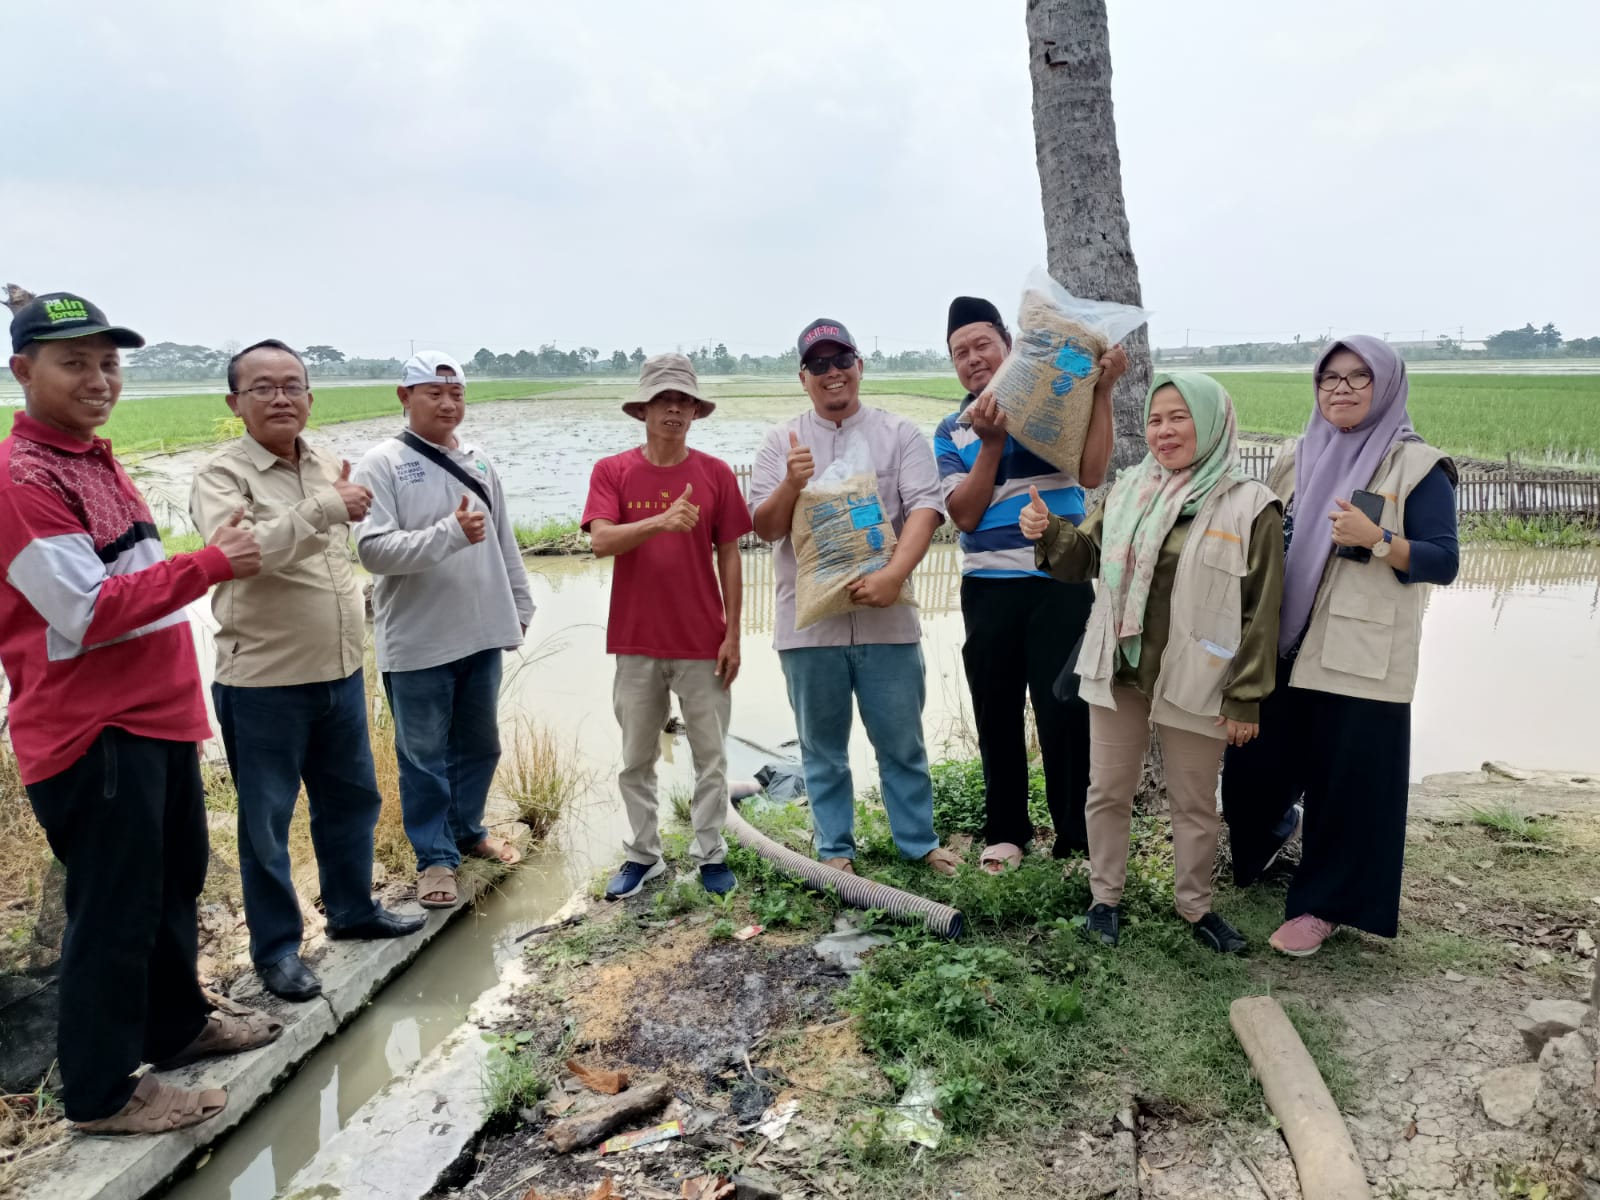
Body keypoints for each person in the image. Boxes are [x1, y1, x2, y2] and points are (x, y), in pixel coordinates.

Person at [0, 291, 277, 1133]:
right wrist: (210, 564)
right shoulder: (22, 479)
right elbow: (83, 611)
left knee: (171, 885)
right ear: (23, 372)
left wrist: (201, 557)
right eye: (74, 362)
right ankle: (103, 1091)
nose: (99, 378)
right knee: (114, 910)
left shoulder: (91, 459)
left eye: (110, 362)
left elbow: (132, 577)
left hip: (154, 717)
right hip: (96, 731)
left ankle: (176, 1025)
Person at [191, 339, 423, 1004]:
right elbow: (242, 555)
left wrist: (334, 504)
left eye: (293, 385)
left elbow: (329, 547)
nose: (281, 397)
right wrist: (326, 507)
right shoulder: (220, 478)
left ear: (311, 397)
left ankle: (352, 909)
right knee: (266, 821)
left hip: (341, 668)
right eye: (262, 387)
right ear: (235, 402)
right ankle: (276, 950)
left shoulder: (323, 460)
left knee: (351, 800)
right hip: (263, 680)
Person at [1021, 372, 1283, 953]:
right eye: (1156, 420)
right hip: (1120, 669)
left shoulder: (1249, 506)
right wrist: (1049, 533)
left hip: (1199, 676)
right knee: (1107, 790)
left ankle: (1195, 906)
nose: (1164, 432)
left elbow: (1262, 611)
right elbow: (1082, 557)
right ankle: (1104, 897)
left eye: (1179, 417)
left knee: (1194, 801)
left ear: (1212, 422)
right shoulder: (1129, 490)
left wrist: (1246, 696)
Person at [1221, 336, 1459, 957]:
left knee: (1346, 784)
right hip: (1282, 642)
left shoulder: (1418, 467)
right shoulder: (1295, 457)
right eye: (1329, 378)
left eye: (1359, 378)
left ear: (1386, 387)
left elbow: (1443, 560)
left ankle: (1322, 904)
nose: (1342, 389)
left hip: (1358, 652)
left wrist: (1379, 538)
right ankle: (1272, 833)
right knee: (1250, 771)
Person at [748, 318, 958, 877]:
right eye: (818, 365)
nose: (832, 373)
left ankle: (918, 843)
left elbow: (925, 509)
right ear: (803, 377)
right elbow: (765, 528)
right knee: (821, 750)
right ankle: (835, 850)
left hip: (887, 621)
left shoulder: (899, 434)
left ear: (859, 367)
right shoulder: (781, 442)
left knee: (902, 744)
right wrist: (792, 484)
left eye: (842, 361)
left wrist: (893, 576)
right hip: (809, 626)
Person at [935, 296, 1120, 872]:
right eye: (959, 352)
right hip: (988, 589)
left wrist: (1104, 392)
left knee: (1066, 710)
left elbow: (1090, 474)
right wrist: (991, 443)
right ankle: (1006, 831)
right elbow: (963, 515)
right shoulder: (952, 431)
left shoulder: (1054, 409)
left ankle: (1076, 839)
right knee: (997, 709)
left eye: (982, 344)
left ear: (1009, 346)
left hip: (1059, 582)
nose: (972, 359)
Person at [353, 353, 534, 909]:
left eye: (456, 393)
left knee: (480, 745)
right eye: (434, 392)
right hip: (418, 643)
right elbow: (372, 550)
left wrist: (519, 605)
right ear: (403, 396)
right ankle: (434, 858)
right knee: (424, 757)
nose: (448, 402)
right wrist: (449, 533)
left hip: (480, 635)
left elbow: (504, 539)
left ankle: (468, 831)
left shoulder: (479, 461)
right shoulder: (381, 465)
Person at [581, 355, 750, 899]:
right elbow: (602, 540)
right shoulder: (613, 471)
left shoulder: (716, 474)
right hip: (636, 640)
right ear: (645, 410)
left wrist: (734, 633)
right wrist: (662, 520)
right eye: (663, 400)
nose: (674, 408)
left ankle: (710, 852)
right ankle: (644, 854)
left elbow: (731, 556)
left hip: (703, 640)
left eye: (684, 401)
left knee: (710, 755)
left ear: (696, 411)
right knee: (636, 758)